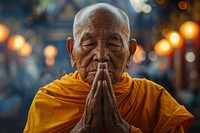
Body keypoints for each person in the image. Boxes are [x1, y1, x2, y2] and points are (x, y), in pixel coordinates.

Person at [24, 3, 194, 133]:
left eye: (113, 44)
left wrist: (123, 129)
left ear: (130, 53)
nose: (101, 55)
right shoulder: (49, 101)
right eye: (89, 43)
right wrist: (82, 128)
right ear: (71, 52)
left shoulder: (154, 99)